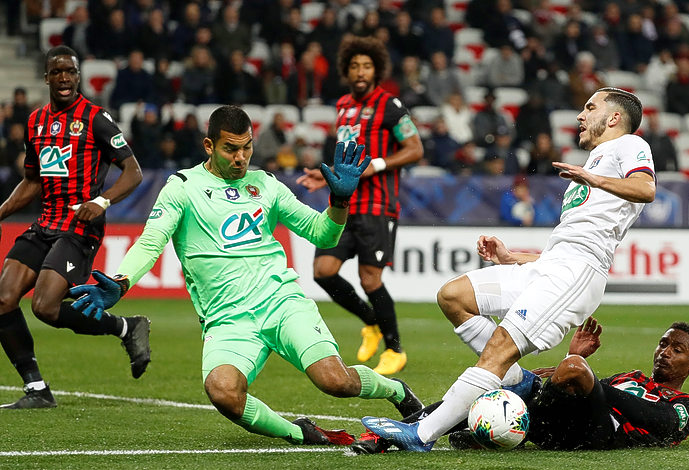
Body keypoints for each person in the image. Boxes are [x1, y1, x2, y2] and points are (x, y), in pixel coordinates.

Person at [68, 106, 423, 445]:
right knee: (223, 392)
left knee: (335, 382)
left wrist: (339, 201)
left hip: (281, 303)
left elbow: (322, 234)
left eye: (247, 147)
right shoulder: (182, 187)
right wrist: (123, 280)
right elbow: (150, 243)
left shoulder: (266, 184)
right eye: (231, 149)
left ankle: (398, 391)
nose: (241, 158)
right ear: (209, 145)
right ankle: (301, 432)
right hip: (227, 319)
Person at [362, 87, 657, 451]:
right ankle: (514, 380)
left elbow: (645, 188)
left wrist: (592, 179)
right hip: (554, 265)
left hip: (576, 274)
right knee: (453, 296)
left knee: (500, 347)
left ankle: (421, 435)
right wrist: (512, 257)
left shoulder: (629, 145)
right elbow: (566, 247)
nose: (580, 116)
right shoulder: (597, 160)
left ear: (614, 118)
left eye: (589, 107)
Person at [0, 46, 148, 409]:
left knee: (45, 306)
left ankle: (125, 327)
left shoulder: (96, 118)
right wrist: (1, 210)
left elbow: (134, 171)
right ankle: (37, 390)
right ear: (47, 77)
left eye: (70, 71)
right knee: (3, 299)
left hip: (81, 226)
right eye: (57, 72)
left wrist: (103, 200)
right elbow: (33, 182)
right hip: (45, 223)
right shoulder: (35, 122)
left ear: (78, 76)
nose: (64, 78)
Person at [356, 316, 689, 453]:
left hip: (600, 438)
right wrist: (570, 366)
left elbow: (660, 424)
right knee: (507, 375)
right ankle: (400, 431)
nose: (664, 352)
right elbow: (584, 387)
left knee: (562, 373)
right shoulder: (630, 378)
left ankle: (510, 427)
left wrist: (580, 372)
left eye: (677, 350)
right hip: (569, 424)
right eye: (663, 343)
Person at [296, 36, 424, 376]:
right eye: (354, 66)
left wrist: (377, 165)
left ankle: (395, 350)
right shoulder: (342, 106)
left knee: (370, 279)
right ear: (346, 71)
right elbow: (351, 158)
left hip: (378, 205)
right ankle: (371, 322)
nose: (360, 72)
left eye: (366, 66)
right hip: (344, 204)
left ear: (377, 70)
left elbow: (415, 148)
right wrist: (327, 177)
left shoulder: (390, 105)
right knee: (323, 271)